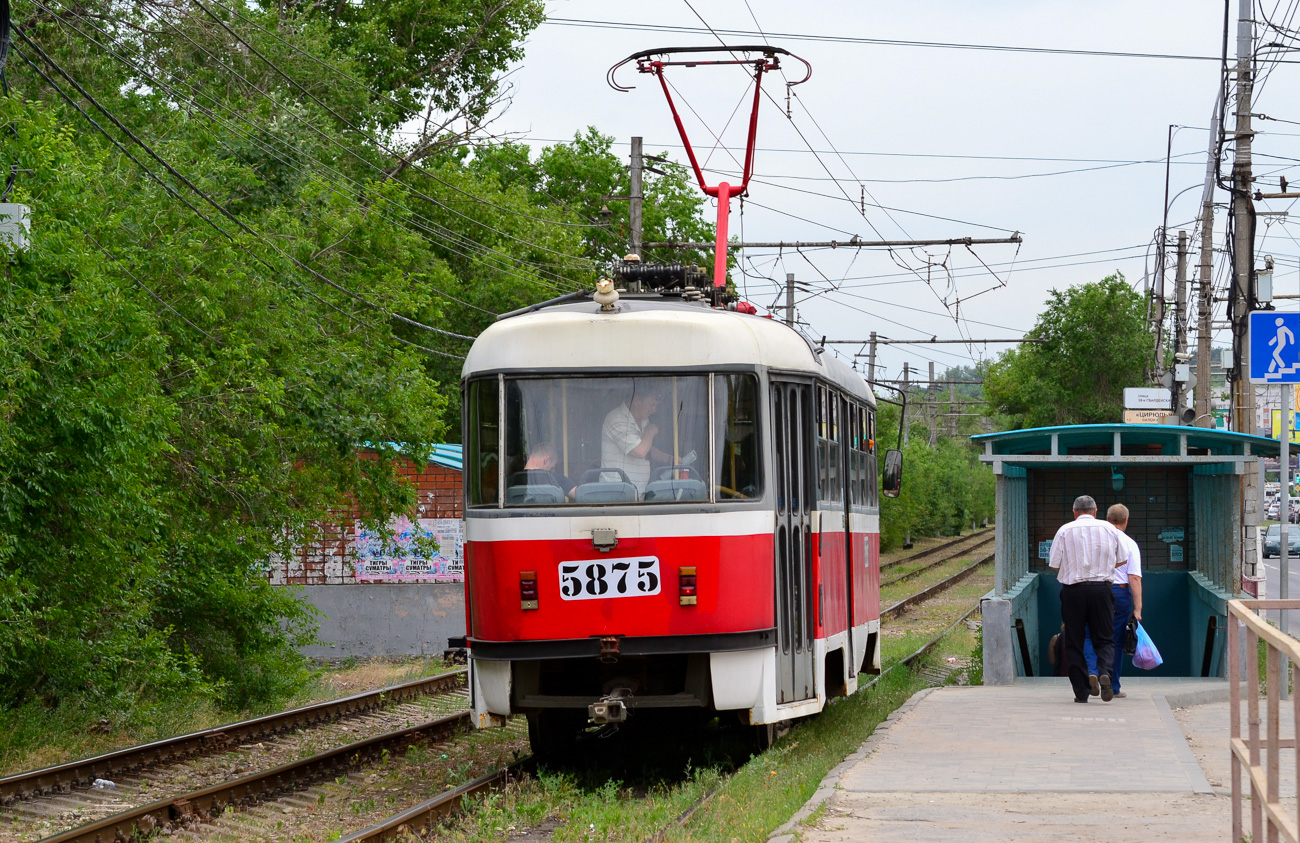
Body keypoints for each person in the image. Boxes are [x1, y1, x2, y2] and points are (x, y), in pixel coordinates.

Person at [1048, 494, 1129, 703]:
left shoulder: (1065, 530)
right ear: (1096, 511)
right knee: (1105, 638)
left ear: (1074, 513)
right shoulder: (1110, 529)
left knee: (1074, 641)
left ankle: (1081, 693)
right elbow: (1121, 560)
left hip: (1073, 591)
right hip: (1102, 590)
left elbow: (1054, 564)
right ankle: (1104, 673)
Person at [1082, 503, 1143, 698]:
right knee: (1114, 641)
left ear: (1106, 519)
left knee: (1089, 635)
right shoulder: (1130, 544)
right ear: (1126, 520)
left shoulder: (1094, 541)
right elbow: (1134, 578)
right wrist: (1138, 608)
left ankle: (1092, 671)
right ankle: (1112, 684)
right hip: (1120, 594)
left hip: (1093, 589)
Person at [601, 388, 675, 492]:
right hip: (617, 494)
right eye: (652, 404)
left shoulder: (643, 419)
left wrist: (670, 459)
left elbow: (645, 446)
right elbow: (639, 451)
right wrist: (650, 431)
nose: (655, 410)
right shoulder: (617, 419)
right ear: (636, 400)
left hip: (636, 492)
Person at [510, 442, 576, 498]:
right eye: (552, 468)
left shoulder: (509, 482)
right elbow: (579, 494)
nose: (552, 471)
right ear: (546, 460)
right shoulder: (556, 479)